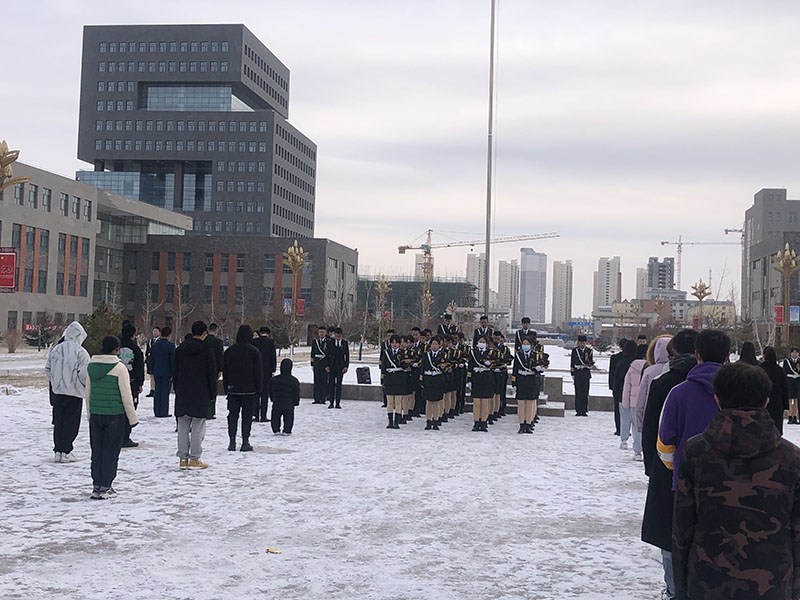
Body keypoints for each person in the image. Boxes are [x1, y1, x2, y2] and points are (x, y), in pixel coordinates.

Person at [672, 362, 800, 599]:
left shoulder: (696, 452)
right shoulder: (792, 458)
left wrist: (681, 589)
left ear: (717, 400)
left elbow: (682, 527)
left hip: (706, 581)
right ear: (766, 402)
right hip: (773, 582)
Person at [641, 328, 698, 600]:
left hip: (668, 467)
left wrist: (651, 467)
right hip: (708, 470)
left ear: (672, 352)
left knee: (668, 532)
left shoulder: (664, 383)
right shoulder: (718, 383)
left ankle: (674, 590)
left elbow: (651, 428)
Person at [658, 329, 731, 490]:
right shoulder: (739, 391)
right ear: (727, 356)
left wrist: (679, 465)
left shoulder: (678, 393)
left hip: (688, 481)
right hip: (732, 482)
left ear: (697, 354)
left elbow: (665, 442)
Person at [85, 335, 139, 499]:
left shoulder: (91, 366)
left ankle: (96, 485)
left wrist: (90, 413)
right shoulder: (120, 368)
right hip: (114, 415)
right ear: (117, 350)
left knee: (97, 451)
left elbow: (88, 393)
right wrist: (132, 418)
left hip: (96, 414)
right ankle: (106, 486)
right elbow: (126, 396)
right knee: (110, 452)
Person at [174, 321, 217, 469]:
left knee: (182, 425)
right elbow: (211, 373)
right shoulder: (207, 349)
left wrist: (177, 387)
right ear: (205, 333)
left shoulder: (180, 349)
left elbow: (175, 370)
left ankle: (182, 458)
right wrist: (212, 393)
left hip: (183, 390)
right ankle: (194, 458)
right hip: (200, 391)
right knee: (198, 426)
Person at [45, 321, 90, 463]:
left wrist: (55, 381)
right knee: (71, 423)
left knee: (59, 422)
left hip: (58, 393)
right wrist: (82, 385)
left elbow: (48, 369)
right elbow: (84, 374)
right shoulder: (81, 352)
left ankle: (58, 450)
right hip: (74, 393)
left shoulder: (56, 349)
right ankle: (66, 450)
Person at [223, 324, 263, 451]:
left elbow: (225, 371)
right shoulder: (254, 351)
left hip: (233, 389)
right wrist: (259, 390)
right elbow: (258, 373)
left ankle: (232, 441)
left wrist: (226, 388)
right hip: (249, 389)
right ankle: (245, 441)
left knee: (232, 415)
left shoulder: (229, 351)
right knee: (247, 417)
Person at [635, 335, 672, 435]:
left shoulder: (649, 371)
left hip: (651, 418)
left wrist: (641, 425)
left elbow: (641, 400)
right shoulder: (679, 369)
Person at [119, 323, 144, 448]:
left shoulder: (116, 346)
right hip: (131, 382)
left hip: (117, 381)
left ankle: (116, 435)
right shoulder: (136, 349)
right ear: (133, 335)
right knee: (129, 408)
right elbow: (139, 366)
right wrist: (140, 383)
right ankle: (125, 436)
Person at [621, 344, 647, 460]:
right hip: (647, 401)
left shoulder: (632, 368)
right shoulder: (651, 368)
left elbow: (627, 388)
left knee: (636, 427)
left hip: (634, 402)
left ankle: (637, 452)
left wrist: (625, 403)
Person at [512, 336, 542, 433]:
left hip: (531, 381)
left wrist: (540, 369)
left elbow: (539, 369)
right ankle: (521, 425)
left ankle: (528, 424)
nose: (525, 346)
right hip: (521, 380)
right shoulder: (518, 355)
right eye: (524, 344)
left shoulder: (536, 355)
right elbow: (515, 370)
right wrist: (514, 383)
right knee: (521, 404)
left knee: (529, 403)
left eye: (527, 344)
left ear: (531, 345)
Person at [468, 335, 495, 431]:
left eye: (483, 342)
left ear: (487, 344)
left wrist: (490, 364)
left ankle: (484, 422)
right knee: (476, 403)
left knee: (485, 403)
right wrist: (469, 380)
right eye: (480, 341)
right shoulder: (473, 352)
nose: (481, 343)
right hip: (476, 378)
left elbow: (495, 364)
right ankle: (476, 422)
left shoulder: (490, 352)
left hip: (486, 378)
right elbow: (470, 366)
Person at [760, 346, 789, 434]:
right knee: (776, 428)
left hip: (763, 402)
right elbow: (785, 387)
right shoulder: (780, 370)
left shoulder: (760, 369)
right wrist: (785, 404)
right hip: (777, 403)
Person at [420, 336, 447, 430]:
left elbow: (446, 368)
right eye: (433, 344)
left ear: (439, 345)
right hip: (428, 380)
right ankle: (428, 421)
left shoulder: (443, 355)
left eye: (436, 344)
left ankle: (436, 421)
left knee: (436, 402)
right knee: (428, 402)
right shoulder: (426, 355)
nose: (434, 346)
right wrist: (421, 380)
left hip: (437, 380)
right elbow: (422, 368)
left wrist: (443, 368)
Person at [251, 326, 277, 422]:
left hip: (255, 371)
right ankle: (263, 416)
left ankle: (256, 415)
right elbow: (273, 357)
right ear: (268, 333)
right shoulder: (270, 342)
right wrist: (273, 370)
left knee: (256, 394)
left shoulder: (254, 342)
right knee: (265, 394)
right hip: (266, 371)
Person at [149, 326, 175, 417]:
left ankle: (157, 411)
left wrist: (151, 370)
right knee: (165, 392)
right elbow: (172, 360)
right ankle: (163, 411)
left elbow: (151, 359)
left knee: (157, 391)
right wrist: (173, 372)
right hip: (167, 372)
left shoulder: (155, 345)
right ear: (169, 335)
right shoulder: (171, 346)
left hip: (157, 370)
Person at [381, 334, 407, 429]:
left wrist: (406, 363)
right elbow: (383, 367)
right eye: (393, 343)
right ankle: (390, 422)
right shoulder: (386, 353)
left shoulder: (403, 353)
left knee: (398, 402)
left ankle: (397, 422)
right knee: (390, 402)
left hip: (399, 379)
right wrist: (382, 380)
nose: (394, 344)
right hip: (389, 379)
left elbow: (405, 367)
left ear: (399, 344)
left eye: (396, 343)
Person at [612, 340, 637, 434]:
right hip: (636, 392)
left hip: (621, 391)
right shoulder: (638, 363)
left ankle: (621, 431)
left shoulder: (621, 362)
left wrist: (614, 389)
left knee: (621, 412)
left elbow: (616, 378)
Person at [271, 358, 300, 435]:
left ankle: (276, 429)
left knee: (275, 416)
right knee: (288, 418)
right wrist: (296, 402)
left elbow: (271, 391)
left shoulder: (274, 380)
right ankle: (287, 430)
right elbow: (296, 392)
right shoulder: (294, 380)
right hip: (289, 403)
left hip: (277, 402)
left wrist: (272, 399)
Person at [570, 335, 594, 416]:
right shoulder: (575, 351)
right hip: (577, 373)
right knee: (578, 392)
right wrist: (572, 373)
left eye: (583, 343)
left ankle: (584, 410)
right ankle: (578, 410)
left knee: (585, 392)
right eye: (580, 343)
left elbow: (590, 361)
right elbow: (572, 363)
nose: (582, 344)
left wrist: (590, 365)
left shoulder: (589, 351)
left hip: (585, 373)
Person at [607, 338, 628, 432]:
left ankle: (618, 428)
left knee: (617, 408)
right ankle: (625, 429)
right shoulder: (632, 359)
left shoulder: (615, 358)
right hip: (627, 387)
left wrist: (611, 386)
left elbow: (611, 373)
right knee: (627, 409)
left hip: (617, 386)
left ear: (620, 346)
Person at [491, 331, 512, 422]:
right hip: (493, 372)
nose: (496, 340)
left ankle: (500, 409)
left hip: (502, 372)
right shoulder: (491, 348)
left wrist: (504, 362)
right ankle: (493, 411)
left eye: (498, 339)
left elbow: (509, 359)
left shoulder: (505, 349)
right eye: (495, 339)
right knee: (493, 393)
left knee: (501, 391)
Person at [204, 323, 224, 419]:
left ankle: (204, 409)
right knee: (213, 389)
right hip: (214, 368)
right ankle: (211, 411)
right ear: (216, 330)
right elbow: (220, 356)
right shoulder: (218, 342)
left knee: (204, 389)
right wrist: (220, 369)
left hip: (204, 368)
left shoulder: (204, 340)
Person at [328, 327, 349, 409]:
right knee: (331, 385)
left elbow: (347, 356)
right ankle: (331, 402)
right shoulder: (330, 342)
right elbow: (327, 355)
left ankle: (337, 403)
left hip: (340, 367)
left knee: (339, 385)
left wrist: (346, 366)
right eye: (336, 336)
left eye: (339, 336)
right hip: (332, 367)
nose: (337, 338)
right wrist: (327, 366)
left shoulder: (344, 343)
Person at [311, 326, 330, 404]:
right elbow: (312, 353)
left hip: (324, 364)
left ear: (325, 333)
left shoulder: (328, 341)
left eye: (323, 332)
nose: (321, 334)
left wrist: (328, 365)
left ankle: (323, 398)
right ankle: (316, 398)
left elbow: (329, 354)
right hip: (317, 363)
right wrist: (312, 364)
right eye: (320, 332)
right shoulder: (315, 341)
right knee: (316, 381)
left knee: (324, 381)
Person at [784, 347, 800, 424]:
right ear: (790, 353)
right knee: (789, 400)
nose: (794, 354)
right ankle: (790, 416)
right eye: (793, 352)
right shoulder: (787, 361)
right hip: (789, 381)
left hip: (797, 381)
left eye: (796, 352)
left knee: (796, 400)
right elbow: (785, 371)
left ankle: (795, 417)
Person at [144, 326, 160, 397]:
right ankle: (152, 390)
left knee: (156, 376)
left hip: (157, 361)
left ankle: (157, 390)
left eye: (156, 331)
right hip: (150, 360)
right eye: (154, 331)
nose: (154, 333)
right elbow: (147, 351)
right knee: (151, 375)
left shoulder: (160, 341)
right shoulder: (150, 341)